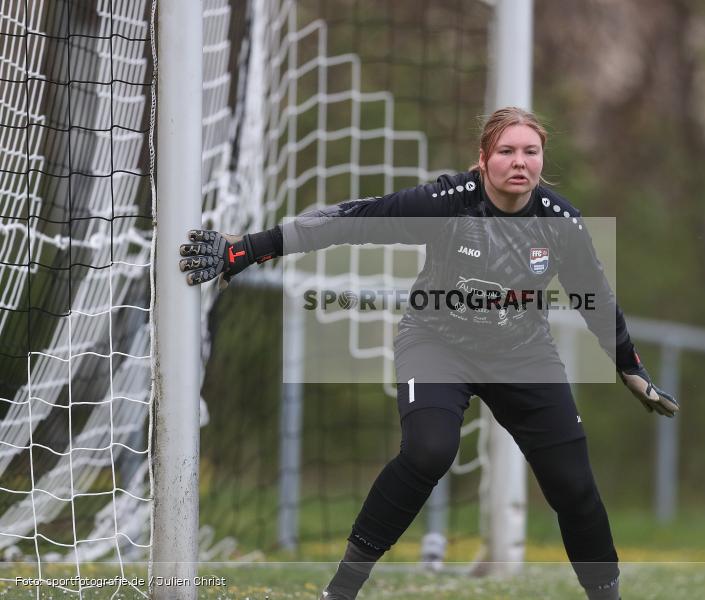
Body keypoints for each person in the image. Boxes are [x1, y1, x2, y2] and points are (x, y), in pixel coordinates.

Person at [179, 107, 678, 600]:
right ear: (483, 160)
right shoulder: (447, 202)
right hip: (438, 344)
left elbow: (596, 297)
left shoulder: (560, 222)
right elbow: (354, 219)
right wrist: (248, 248)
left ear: (543, 160)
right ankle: (341, 591)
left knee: (573, 483)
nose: (519, 161)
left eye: (531, 151)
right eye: (506, 151)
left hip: (523, 355)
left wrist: (630, 368)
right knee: (429, 451)